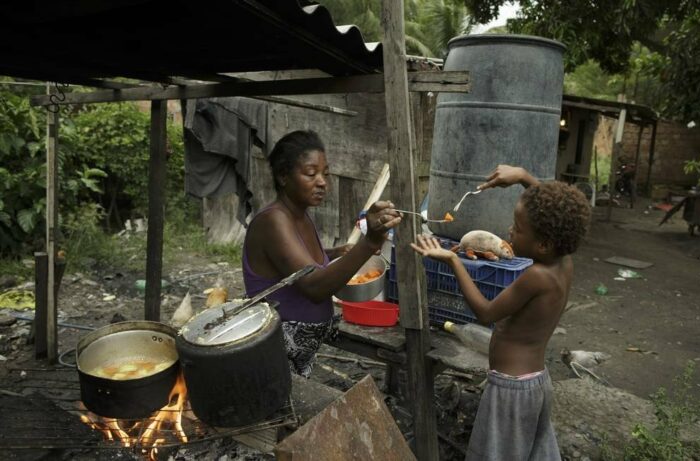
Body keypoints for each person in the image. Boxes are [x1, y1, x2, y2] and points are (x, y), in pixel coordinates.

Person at [411, 164, 591, 461]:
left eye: (518, 229)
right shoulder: (563, 261)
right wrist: (522, 177)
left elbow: (486, 313)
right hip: (535, 383)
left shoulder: (537, 277)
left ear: (544, 243)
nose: (510, 231)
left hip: (511, 390)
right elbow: (554, 210)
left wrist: (453, 262)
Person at [243, 130, 401, 377]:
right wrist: (368, 243)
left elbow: (291, 263)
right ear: (284, 176)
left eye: (325, 174)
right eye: (310, 173)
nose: (322, 182)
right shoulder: (274, 221)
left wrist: (335, 252)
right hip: (275, 354)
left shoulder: (300, 214)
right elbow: (313, 286)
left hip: (301, 352)